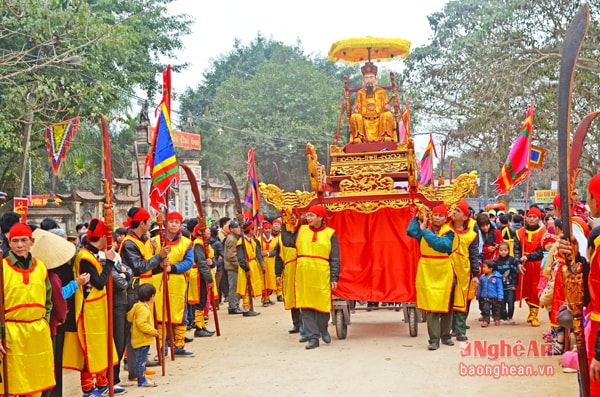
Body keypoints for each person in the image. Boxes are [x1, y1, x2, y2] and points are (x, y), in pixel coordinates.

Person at [63, 218, 126, 397]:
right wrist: (110, 262)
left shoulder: (91, 254)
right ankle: (88, 388)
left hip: (98, 309)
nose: (111, 242)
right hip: (89, 310)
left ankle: (102, 383)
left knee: (101, 347)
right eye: (109, 238)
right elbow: (98, 283)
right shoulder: (85, 257)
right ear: (102, 238)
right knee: (89, 349)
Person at [0, 223, 55, 396]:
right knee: (12, 385)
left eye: (24, 240)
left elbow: (48, 301)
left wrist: (44, 322)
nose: (20, 245)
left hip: (37, 335)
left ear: (32, 242)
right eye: (15, 241)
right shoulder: (2, 268)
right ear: (9, 243)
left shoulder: (41, 268)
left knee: (35, 384)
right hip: (11, 335)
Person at [119, 207, 169, 383]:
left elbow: (148, 266)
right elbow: (139, 268)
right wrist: (158, 257)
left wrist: (160, 263)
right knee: (136, 330)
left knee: (143, 327)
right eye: (148, 223)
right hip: (134, 291)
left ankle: (139, 367)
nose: (149, 226)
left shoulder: (143, 240)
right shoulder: (129, 243)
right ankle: (134, 370)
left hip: (145, 289)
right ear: (142, 223)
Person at [280, 205, 340, 349]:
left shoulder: (330, 234)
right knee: (305, 306)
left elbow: (335, 258)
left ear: (320, 217)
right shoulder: (302, 230)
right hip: (303, 274)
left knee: (322, 306)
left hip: (321, 274)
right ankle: (313, 338)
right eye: (307, 215)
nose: (308, 218)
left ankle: (323, 329)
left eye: (312, 215)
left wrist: (334, 277)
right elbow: (288, 241)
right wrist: (284, 222)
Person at [407, 204, 455, 351]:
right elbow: (410, 231)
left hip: (443, 270)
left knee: (446, 305)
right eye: (435, 215)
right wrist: (418, 215)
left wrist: (424, 232)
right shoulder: (424, 228)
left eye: (441, 216)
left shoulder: (449, 232)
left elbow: (440, 245)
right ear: (431, 216)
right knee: (431, 307)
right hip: (427, 269)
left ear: (445, 218)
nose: (438, 218)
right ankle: (434, 339)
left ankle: (445, 335)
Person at [154, 211, 195, 357]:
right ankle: (161, 348)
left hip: (177, 282)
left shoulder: (186, 243)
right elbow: (149, 260)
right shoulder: (155, 241)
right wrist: (160, 263)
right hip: (158, 281)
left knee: (179, 314)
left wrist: (173, 268)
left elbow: (189, 262)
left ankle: (179, 345)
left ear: (180, 225)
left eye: (177, 222)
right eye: (171, 221)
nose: (173, 224)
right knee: (160, 315)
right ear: (165, 223)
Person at [448, 200, 480, 341]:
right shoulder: (445, 230)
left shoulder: (472, 235)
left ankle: (460, 330)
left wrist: (475, 274)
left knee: (462, 300)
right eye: (454, 210)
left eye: (458, 211)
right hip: (446, 269)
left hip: (464, 271)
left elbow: (474, 255)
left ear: (465, 217)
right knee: (448, 300)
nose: (454, 212)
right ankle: (447, 329)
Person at [349, 62, 396, 144]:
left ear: (376, 80)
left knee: (387, 115)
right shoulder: (360, 93)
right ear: (363, 81)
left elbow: (386, 107)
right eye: (366, 78)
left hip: (379, 122)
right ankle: (359, 137)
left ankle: (385, 136)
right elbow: (357, 108)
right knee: (355, 116)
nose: (369, 80)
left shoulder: (381, 92)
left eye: (371, 77)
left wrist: (387, 108)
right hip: (364, 122)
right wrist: (355, 109)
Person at [517, 206, 547, 327]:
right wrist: (518, 262)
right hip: (523, 266)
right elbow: (516, 249)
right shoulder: (520, 232)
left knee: (535, 291)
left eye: (534, 217)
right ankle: (531, 311)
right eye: (529, 216)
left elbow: (542, 251)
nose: (531, 219)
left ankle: (534, 315)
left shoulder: (544, 233)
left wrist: (529, 257)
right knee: (525, 290)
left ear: (539, 218)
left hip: (537, 266)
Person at [126, 283, 158, 388]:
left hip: (139, 339)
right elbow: (141, 324)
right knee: (141, 361)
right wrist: (152, 331)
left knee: (140, 360)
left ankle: (142, 377)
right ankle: (141, 380)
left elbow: (130, 318)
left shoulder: (138, 307)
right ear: (151, 296)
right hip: (142, 339)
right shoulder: (142, 309)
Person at [189, 224, 215, 337]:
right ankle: (199, 327)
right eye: (205, 229)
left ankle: (201, 325)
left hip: (203, 274)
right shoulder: (198, 244)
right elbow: (201, 263)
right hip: (199, 275)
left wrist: (212, 263)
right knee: (200, 301)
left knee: (203, 300)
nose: (208, 231)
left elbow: (209, 260)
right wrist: (208, 278)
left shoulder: (204, 243)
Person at [236, 220, 264, 316]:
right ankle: (246, 308)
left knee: (251, 287)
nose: (254, 231)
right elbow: (241, 258)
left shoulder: (252, 241)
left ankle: (250, 307)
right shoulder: (241, 242)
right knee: (246, 287)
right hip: (246, 266)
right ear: (250, 230)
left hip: (252, 264)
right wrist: (246, 268)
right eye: (253, 229)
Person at [224, 219, 244, 315]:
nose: (238, 229)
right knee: (234, 287)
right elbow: (231, 256)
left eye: (238, 227)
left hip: (235, 267)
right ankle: (232, 306)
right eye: (235, 227)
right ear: (231, 229)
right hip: (233, 267)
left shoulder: (235, 237)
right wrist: (240, 266)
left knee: (236, 287)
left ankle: (235, 305)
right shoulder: (231, 239)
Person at [495, 242, 519, 324]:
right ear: (498, 251)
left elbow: (515, 273)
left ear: (508, 250)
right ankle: (504, 318)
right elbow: (495, 274)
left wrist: (515, 284)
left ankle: (510, 317)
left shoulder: (512, 260)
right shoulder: (497, 261)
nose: (503, 252)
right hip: (501, 287)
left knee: (511, 302)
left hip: (510, 286)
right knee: (502, 303)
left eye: (505, 250)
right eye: (501, 250)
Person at [477, 260, 504, 327]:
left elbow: (499, 288)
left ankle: (497, 319)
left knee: (496, 309)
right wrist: (478, 295)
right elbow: (480, 287)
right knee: (485, 309)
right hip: (485, 296)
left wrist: (500, 296)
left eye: (484, 267)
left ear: (490, 269)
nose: (483, 269)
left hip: (495, 297)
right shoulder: (482, 277)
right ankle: (486, 321)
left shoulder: (497, 277)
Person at [259, 221, 279, 306]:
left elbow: (276, 251)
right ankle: (265, 298)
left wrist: (267, 253)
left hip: (271, 263)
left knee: (270, 280)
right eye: (266, 229)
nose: (267, 230)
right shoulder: (259, 240)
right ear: (263, 230)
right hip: (262, 263)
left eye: (269, 229)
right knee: (263, 280)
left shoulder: (275, 240)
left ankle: (268, 296)